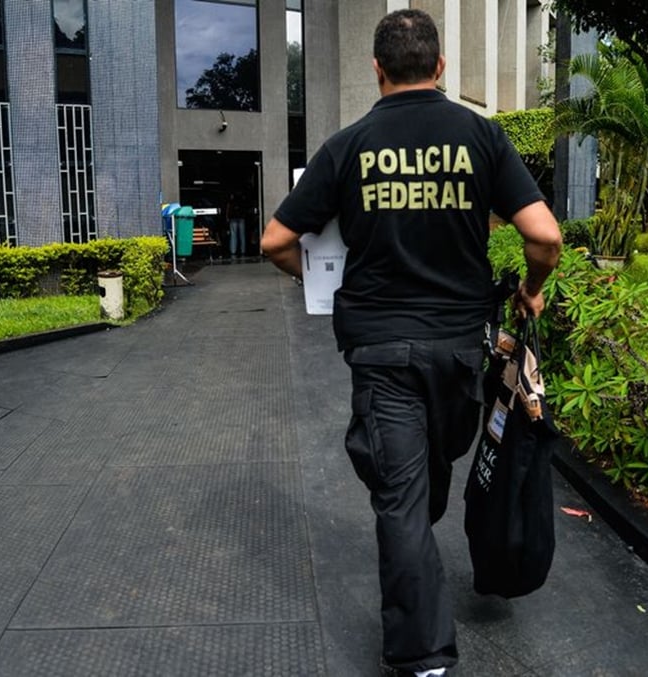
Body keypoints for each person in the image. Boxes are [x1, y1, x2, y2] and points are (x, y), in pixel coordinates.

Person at [261, 9, 562, 677]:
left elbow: (276, 242)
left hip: (380, 346)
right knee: (415, 485)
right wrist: (532, 288)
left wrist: (326, 285)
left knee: (409, 494)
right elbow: (545, 237)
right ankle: (424, 652)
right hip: (458, 348)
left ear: (376, 69)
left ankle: (412, 540)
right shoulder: (480, 136)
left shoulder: (347, 145)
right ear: (440, 67)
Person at [226, 192, 247, 259]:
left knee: (233, 235)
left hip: (233, 217)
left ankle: (233, 251)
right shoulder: (242, 199)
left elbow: (228, 207)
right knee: (242, 235)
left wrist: (227, 217)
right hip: (241, 217)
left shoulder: (231, 200)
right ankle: (243, 250)